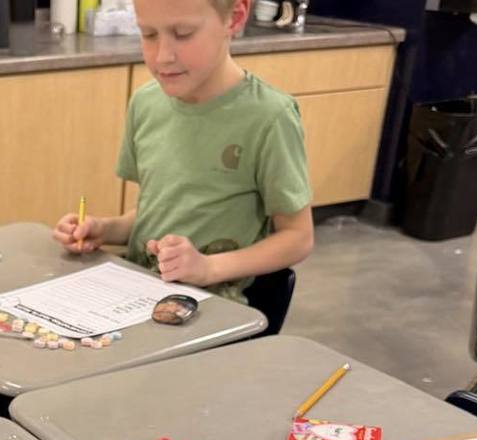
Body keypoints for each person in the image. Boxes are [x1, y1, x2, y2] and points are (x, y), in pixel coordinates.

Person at [54, 0, 314, 303]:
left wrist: (208, 267)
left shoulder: (270, 117)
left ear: (235, 17)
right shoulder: (145, 103)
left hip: (212, 309)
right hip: (137, 292)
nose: (162, 56)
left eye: (184, 33)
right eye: (148, 34)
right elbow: (160, 212)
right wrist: (105, 229)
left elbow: (298, 238)